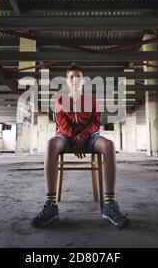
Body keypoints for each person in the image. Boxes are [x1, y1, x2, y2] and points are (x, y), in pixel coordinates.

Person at [31, 64, 129, 228]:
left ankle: (110, 204)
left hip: (90, 137)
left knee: (109, 145)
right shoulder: (61, 101)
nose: (75, 80)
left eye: (78, 77)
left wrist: (83, 137)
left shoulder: (92, 100)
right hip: (66, 137)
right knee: (51, 144)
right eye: (72, 77)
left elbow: (96, 123)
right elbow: (61, 123)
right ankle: (51, 204)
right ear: (67, 81)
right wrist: (74, 139)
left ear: (83, 81)